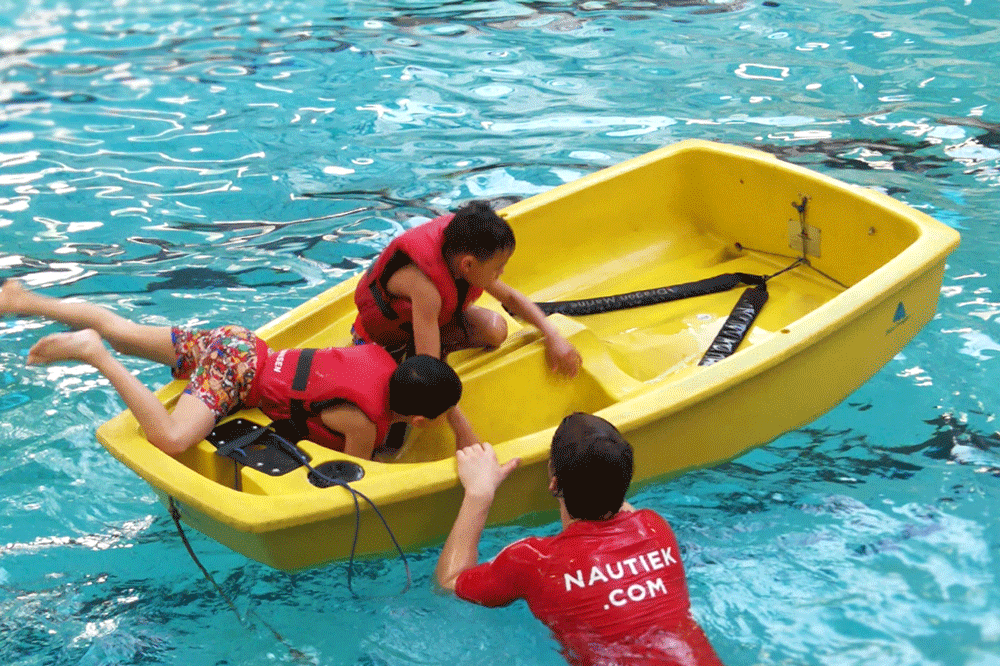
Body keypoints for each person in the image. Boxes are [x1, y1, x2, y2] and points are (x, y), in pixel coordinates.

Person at [0, 279, 465, 460]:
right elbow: (357, 477)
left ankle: (23, 300)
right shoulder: (362, 423)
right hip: (236, 374)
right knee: (172, 438)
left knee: (125, 330)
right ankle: (94, 354)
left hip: (240, 343)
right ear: (421, 418)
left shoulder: (380, 356)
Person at [435, 413, 724, 666]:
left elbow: (448, 583)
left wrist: (479, 492)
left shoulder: (533, 560)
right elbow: (616, 500)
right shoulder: (654, 527)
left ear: (554, 484)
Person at [353, 199, 582, 375]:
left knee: (494, 330)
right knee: (417, 385)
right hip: (381, 337)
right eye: (497, 267)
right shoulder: (426, 289)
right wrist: (464, 433)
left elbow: (511, 298)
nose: (501, 273)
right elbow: (430, 373)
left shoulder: (460, 248)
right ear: (468, 264)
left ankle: (430, 342)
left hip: (425, 320)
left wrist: (553, 336)